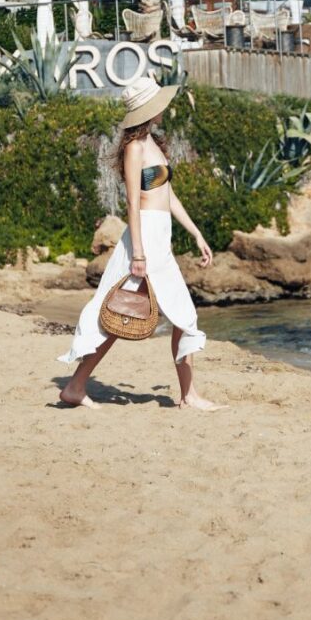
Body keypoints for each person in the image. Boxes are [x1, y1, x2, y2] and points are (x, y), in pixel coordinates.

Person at [58, 77, 223, 410]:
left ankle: (187, 394)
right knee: (115, 314)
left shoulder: (155, 144)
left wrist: (195, 232)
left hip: (160, 236)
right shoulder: (134, 148)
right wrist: (138, 254)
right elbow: (133, 203)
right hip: (143, 237)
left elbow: (168, 195)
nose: (164, 107)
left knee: (177, 314)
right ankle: (76, 386)